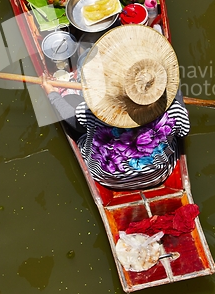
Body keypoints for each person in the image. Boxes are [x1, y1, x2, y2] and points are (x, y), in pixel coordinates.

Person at [42, 25, 190, 190]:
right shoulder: (174, 111)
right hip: (158, 175)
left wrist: (53, 95)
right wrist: (176, 97)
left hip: (104, 177)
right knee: (172, 134)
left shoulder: (93, 110)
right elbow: (183, 132)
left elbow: (75, 123)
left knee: (80, 121)